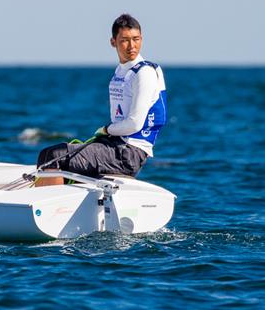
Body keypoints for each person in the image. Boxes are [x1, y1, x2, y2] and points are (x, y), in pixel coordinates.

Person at [35, 13, 167, 184]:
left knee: (52, 156)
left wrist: (106, 130)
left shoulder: (144, 73)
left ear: (142, 39)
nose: (131, 46)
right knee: (55, 157)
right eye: (125, 40)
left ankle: (45, 209)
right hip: (115, 146)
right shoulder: (121, 73)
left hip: (129, 154)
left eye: (136, 39)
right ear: (113, 42)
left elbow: (134, 124)